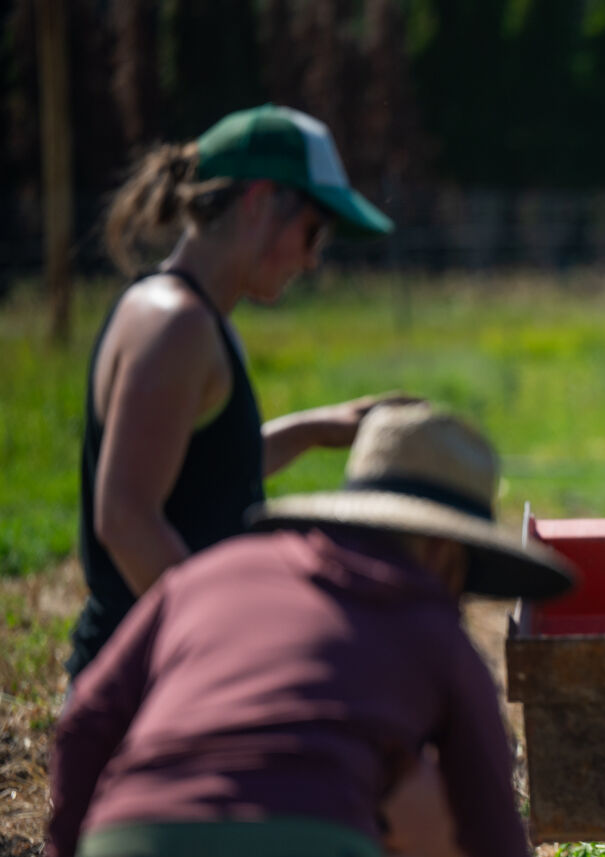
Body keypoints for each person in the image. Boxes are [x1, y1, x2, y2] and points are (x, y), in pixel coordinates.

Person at [35, 404, 579, 857]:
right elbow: (496, 845)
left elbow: (83, 723)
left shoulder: (210, 573)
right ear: (446, 551)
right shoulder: (438, 636)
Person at [66, 103, 396, 683]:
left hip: (169, 664)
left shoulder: (190, 315)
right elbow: (125, 518)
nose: (314, 258)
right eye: (313, 230)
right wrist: (232, 641)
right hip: (141, 686)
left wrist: (321, 429)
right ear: (260, 201)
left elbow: (202, 471)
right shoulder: (177, 325)